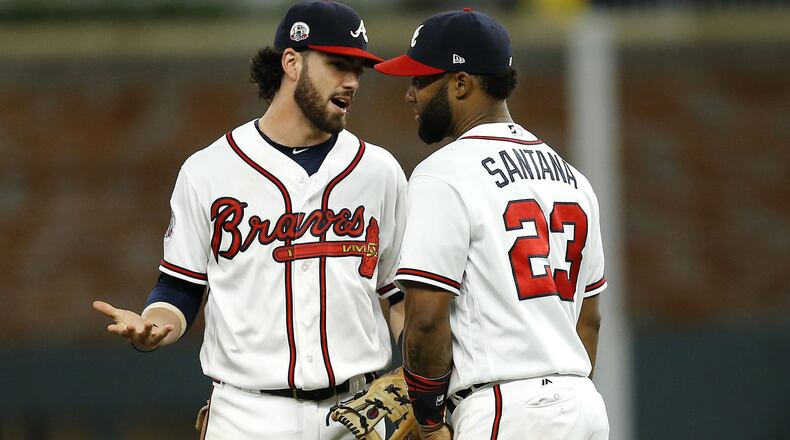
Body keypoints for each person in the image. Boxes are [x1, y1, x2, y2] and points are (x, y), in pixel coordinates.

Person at [92, 1, 407, 438]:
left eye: (358, 69)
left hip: (359, 411)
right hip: (248, 414)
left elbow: (400, 295)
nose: (351, 81)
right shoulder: (209, 170)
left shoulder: (381, 171)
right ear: (292, 62)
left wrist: (427, 384)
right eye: (338, 64)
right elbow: (180, 287)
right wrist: (155, 326)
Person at [375, 9, 610, 440]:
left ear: (461, 83)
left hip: (503, 409)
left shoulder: (441, 174)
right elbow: (589, 320)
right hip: (583, 405)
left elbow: (426, 320)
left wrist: (429, 422)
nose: (411, 94)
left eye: (421, 79)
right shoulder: (574, 179)